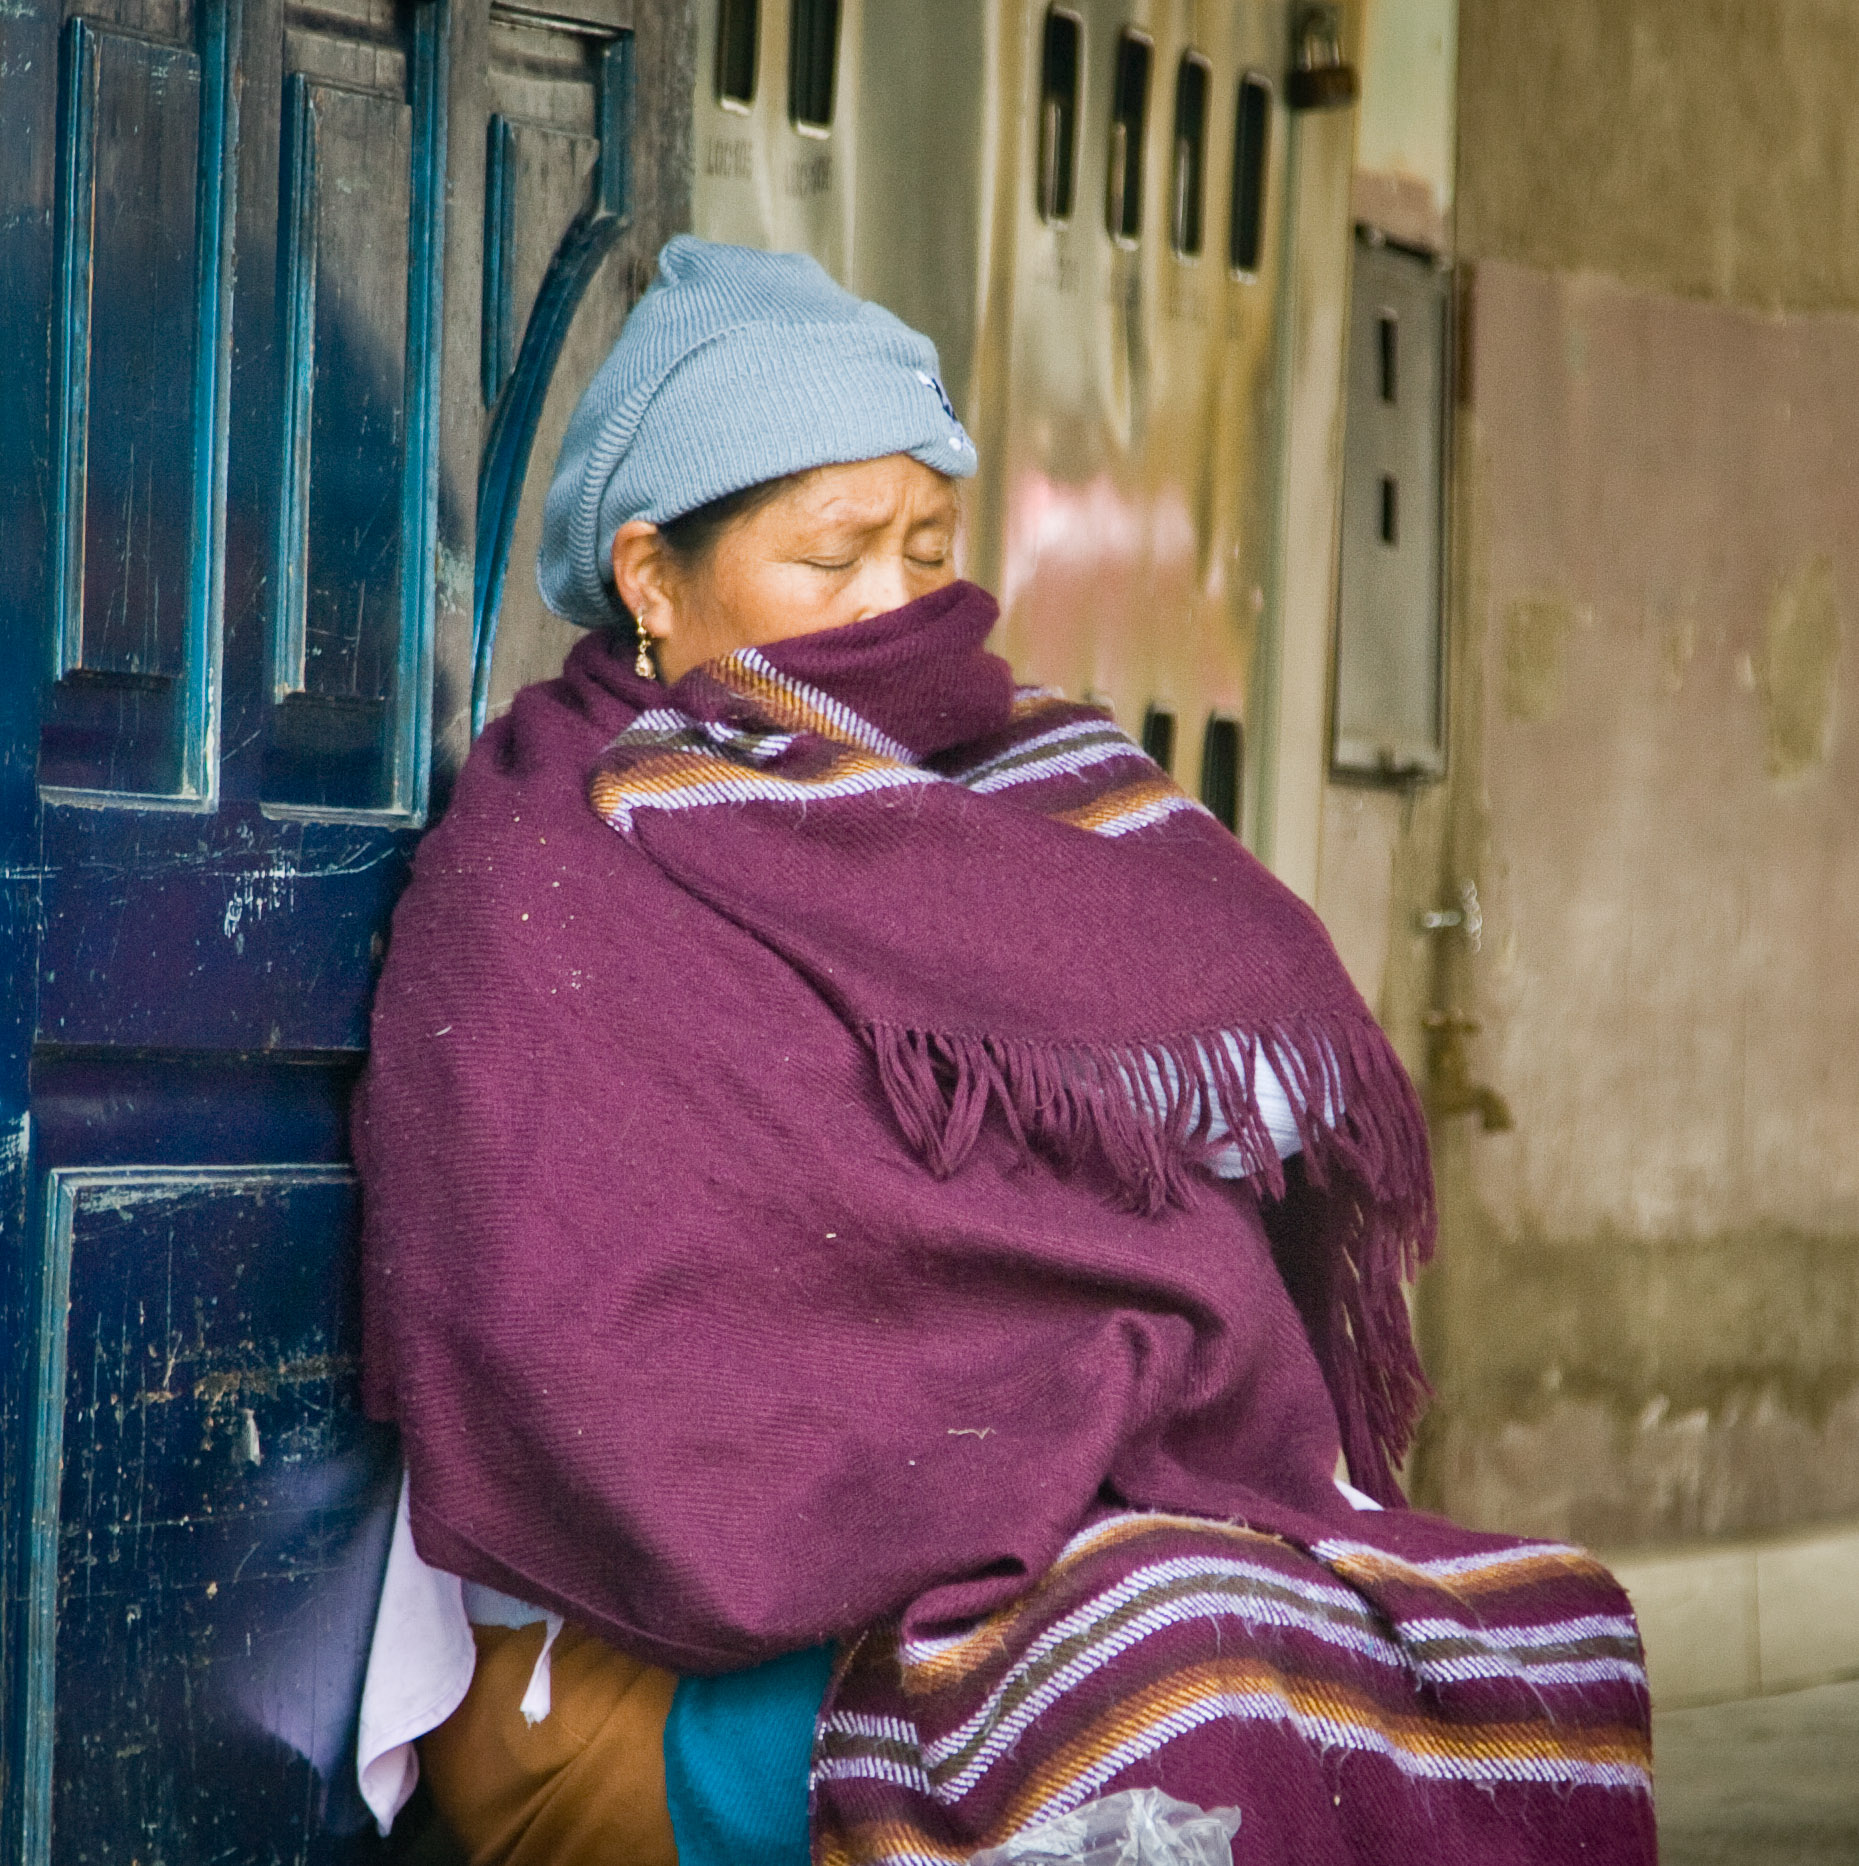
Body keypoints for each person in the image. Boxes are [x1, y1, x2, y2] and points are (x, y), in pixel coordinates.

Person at [352, 236, 1655, 1866]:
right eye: (834, 559)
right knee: (1182, 1688)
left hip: (1023, 1536)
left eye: (928, 547)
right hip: (638, 1656)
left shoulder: (1032, 792)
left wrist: (1081, 1423)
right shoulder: (551, 871)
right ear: (650, 579)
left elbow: (1149, 1236)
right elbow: (588, 1368)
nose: (898, 607)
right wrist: (1006, 1455)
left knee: (1510, 1645)